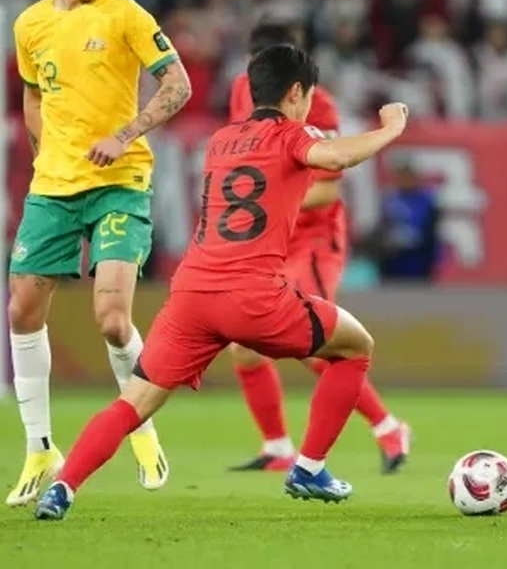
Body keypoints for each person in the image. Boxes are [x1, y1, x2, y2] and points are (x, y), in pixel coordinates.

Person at [32, 45, 408, 521]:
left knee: (134, 403)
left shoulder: (220, 141)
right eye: (309, 96)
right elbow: (332, 158)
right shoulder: (290, 134)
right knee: (355, 347)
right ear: (296, 93)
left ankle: (63, 487)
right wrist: (390, 128)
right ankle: (310, 467)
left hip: (191, 294)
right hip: (253, 295)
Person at [6, 0, 192, 506]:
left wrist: (126, 134)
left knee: (112, 318)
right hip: (54, 187)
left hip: (120, 181)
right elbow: (34, 97)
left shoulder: (126, 14)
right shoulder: (30, 26)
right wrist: (43, 155)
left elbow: (179, 84)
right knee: (21, 312)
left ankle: (139, 424)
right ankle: (40, 446)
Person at [226, 23, 411, 475]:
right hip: (269, 239)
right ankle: (278, 447)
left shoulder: (319, 104)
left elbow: (326, 190)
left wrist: (266, 202)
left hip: (311, 238)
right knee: (244, 346)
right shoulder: (241, 91)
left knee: (313, 342)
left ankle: (388, 426)